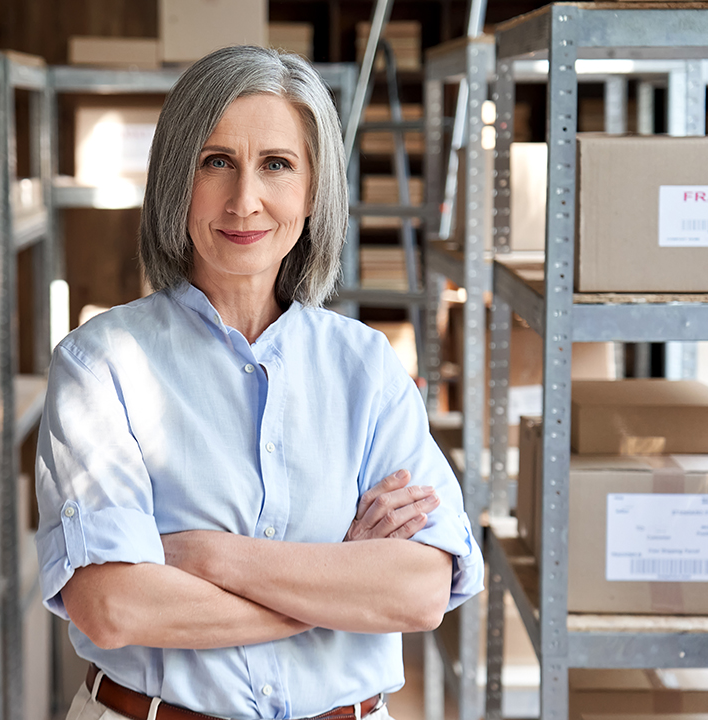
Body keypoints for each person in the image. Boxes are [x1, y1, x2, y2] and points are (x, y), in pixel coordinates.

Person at [36, 45, 483, 720]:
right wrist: (336, 584)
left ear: (311, 191)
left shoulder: (366, 366)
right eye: (216, 162)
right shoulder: (101, 364)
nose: (245, 200)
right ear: (175, 182)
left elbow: (420, 590)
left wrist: (211, 558)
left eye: (276, 164)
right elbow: (114, 606)